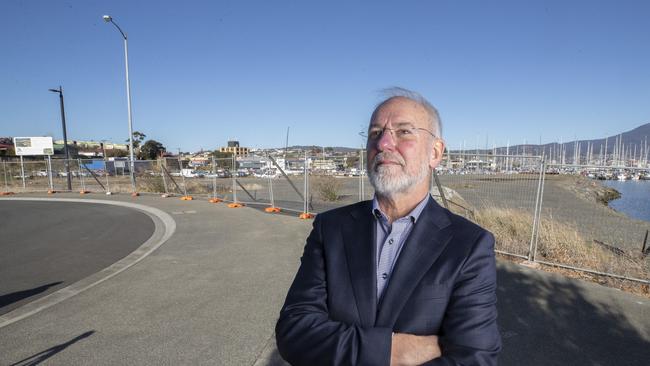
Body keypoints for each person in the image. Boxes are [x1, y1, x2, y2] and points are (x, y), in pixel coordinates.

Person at [276, 88, 501, 365]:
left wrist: (340, 346)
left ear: (435, 152)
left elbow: (475, 359)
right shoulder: (331, 228)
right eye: (374, 133)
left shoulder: (469, 245)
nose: (383, 143)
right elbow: (294, 332)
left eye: (404, 132)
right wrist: (391, 351)